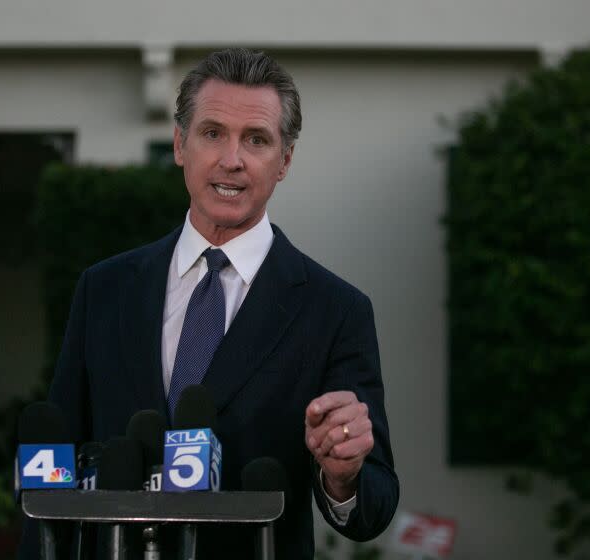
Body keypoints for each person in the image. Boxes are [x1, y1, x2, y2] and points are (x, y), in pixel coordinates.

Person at [21, 48, 399, 559]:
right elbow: (54, 474)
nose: (231, 160)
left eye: (257, 139)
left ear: (285, 160)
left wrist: (343, 477)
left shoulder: (335, 311)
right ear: (180, 144)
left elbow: (371, 506)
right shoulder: (103, 290)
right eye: (212, 133)